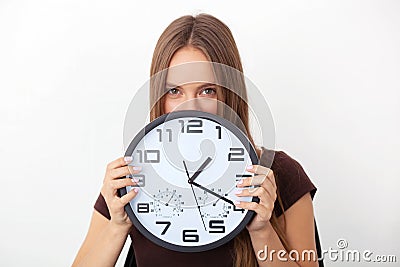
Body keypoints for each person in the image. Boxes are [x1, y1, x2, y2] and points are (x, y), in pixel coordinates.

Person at [73, 13, 323, 267]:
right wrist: (117, 225)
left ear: (229, 95)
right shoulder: (133, 177)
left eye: (207, 90)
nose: (190, 106)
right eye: (174, 91)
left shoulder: (279, 174)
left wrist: (261, 231)